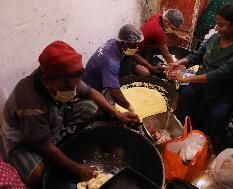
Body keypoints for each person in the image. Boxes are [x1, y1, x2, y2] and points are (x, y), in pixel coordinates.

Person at [1, 41, 139, 187]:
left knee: (90, 108)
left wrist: (117, 114)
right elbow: (43, 145)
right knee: (36, 173)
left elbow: (92, 93)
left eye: (75, 86)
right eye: (67, 87)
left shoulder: (63, 75)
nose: (73, 91)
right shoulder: (29, 102)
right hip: (25, 141)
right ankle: (56, 151)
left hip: (52, 120)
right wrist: (76, 167)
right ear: (46, 81)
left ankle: (60, 143)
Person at [166, 3, 233, 148]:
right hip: (201, 84)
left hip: (223, 93)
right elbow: (197, 56)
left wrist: (185, 78)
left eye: (222, 25)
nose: (217, 29)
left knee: (215, 119)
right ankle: (181, 131)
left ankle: (203, 144)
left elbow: (219, 74)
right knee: (185, 97)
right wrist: (179, 63)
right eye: (217, 24)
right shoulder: (215, 38)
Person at [82, 24, 147, 111]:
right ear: (125, 43)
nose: (136, 48)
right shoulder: (111, 63)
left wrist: (149, 66)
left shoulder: (114, 42)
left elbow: (132, 54)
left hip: (97, 74)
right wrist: (130, 108)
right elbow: (115, 92)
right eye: (134, 46)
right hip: (90, 89)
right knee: (103, 111)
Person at [120, 9, 190, 77]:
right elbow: (167, 56)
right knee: (146, 73)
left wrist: (179, 37)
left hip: (142, 49)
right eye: (173, 28)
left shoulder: (158, 17)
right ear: (166, 21)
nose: (173, 30)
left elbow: (170, 31)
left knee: (157, 66)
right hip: (133, 54)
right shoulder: (158, 31)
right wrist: (177, 69)